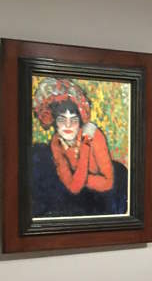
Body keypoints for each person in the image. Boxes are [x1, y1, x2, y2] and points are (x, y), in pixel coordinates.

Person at [30, 78, 128, 217]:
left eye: (74, 120)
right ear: (55, 123)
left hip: (111, 190)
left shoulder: (93, 135)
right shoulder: (56, 142)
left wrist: (86, 144)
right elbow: (74, 187)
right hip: (82, 193)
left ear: (80, 121)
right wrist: (78, 181)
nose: (68, 126)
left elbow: (107, 183)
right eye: (62, 120)